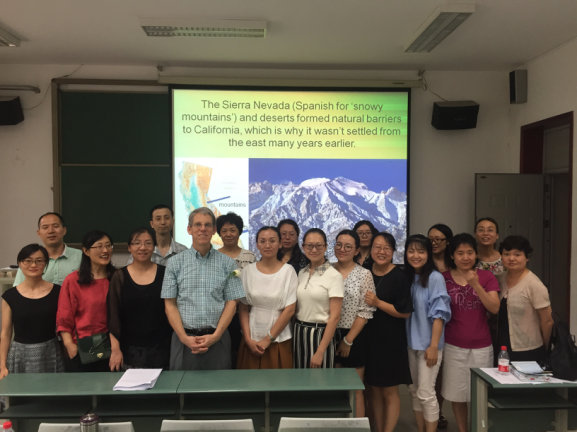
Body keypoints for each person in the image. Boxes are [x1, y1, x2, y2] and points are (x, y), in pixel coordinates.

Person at [162, 207, 245, 371]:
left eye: (207, 225)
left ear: (214, 230)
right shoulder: (174, 263)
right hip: (184, 339)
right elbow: (169, 304)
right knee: (182, 385)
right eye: (198, 224)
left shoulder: (228, 263)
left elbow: (231, 303)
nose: (203, 229)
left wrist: (216, 336)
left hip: (218, 339)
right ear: (189, 229)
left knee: (219, 385)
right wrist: (184, 338)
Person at [441, 233, 500, 433]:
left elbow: (494, 308)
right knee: (457, 394)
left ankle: (478, 429)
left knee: (480, 394)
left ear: (476, 254)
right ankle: (462, 430)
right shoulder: (443, 279)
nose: (465, 257)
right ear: (452, 255)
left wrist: (476, 285)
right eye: (460, 253)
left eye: (470, 252)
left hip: (482, 345)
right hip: (453, 344)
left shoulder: (486, 277)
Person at [364, 232, 413, 432]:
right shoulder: (366, 271)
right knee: (374, 390)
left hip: (391, 341)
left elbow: (405, 312)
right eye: (377, 247)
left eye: (386, 248)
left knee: (390, 392)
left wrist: (378, 303)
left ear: (393, 251)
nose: (381, 251)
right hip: (369, 339)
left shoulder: (399, 276)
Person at [404, 235, 451, 432]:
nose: (415, 255)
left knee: (426, 392)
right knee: (414, 391)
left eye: (421, 251)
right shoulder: (407, 277)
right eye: (411, 251)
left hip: (429, 345)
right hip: (410, 344)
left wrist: (433, 345)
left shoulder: (435, 277)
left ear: (428, 254)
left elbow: (439, 315)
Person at [107, 227, 172, 370]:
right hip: (130, 350)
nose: (142, 247)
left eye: (148, 243)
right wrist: (115, 349)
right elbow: (113, 316)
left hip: (163, 348)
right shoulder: (119, 277)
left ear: (154, 247)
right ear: (129, 247)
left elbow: (172, 310)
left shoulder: (166, 273)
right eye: (137, 243)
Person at [237, 226, 297, 369]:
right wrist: (247, 339)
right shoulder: (247, 271)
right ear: (257, 244)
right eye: (262, 241)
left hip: (279, 339)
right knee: (249, 380)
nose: (267, 245)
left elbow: (289, 310)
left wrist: (268, 339)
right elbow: (243, 308)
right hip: (251, 338)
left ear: (280, 244)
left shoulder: (288, 271)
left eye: (272, 241)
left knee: (277, 380)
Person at [0, 244, 64, 378]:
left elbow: (64, 326)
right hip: (19, 354)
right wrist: (2, 365)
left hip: (50, 352)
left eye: (39, 261)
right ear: (19, 263)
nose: (33, 265)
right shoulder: (10, 296)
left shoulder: (58, 292)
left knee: (52, 389)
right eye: (28, 261)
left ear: (45, 264)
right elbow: (5, 333)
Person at [57, 230, 116, 372]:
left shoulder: (117, 278)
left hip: (113, 347)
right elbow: (64, 317)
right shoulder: (73, 280)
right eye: (99, 246)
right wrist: (69, 345)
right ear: (86, 251)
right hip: (82, 347)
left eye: (108, 245)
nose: (105, 250)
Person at [332, 230, 376, 417]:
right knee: (333, 387)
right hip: (328, 334)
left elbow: (365, 311)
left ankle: (357, 428)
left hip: (354, 336)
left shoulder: (364, 274)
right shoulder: (326, 270)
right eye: (339, 244)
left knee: (355, 388)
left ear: (357, 250)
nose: (342, 249)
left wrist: (347, 341)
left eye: (348, 246)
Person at [496, 235, 553, 364]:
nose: (511, 258)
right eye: (506, 254)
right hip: (502, 346)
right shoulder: (500, 279)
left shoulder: (534, 284)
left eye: (517, 254)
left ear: (527, 257)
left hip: (528, 348)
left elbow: (547, 320)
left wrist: (544, 346)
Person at [293, 228, 344, 369]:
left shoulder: (334, 276)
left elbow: (335, 317)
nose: (314, 250)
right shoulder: (301, 273)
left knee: (320, 379)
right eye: (309, 246)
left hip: (321, 334)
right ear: (303, 247)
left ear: (326, 247)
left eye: (319, 245)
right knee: (299, 377)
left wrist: (320, 351)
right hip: (299, 331)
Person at [216, 212, 257, 368]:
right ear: (219, 233)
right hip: (219, 314)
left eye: (232, 230)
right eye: (224, 231)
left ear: (239, 232)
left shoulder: (250, 256)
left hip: (244, 313)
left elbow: (254, 283)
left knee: (240, 352)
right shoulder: (213, 256)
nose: (228, 234)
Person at [427, 223, 453, 429]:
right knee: (432, 375)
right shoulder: (423, 264)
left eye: (439, 239)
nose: (434, 243)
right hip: (430, 325)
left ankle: (439, 411)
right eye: (431, 239)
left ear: (448, 241)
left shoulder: (455, 264)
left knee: (444, 374)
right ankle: (433, 414)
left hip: (454, 324)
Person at [13, 212, 82, 286]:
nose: (51, 231)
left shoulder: (81, 256)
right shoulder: (30, 259)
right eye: (45, 227)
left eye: (55, 226)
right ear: (39, 233)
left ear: (64, 230)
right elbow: (18, 288)